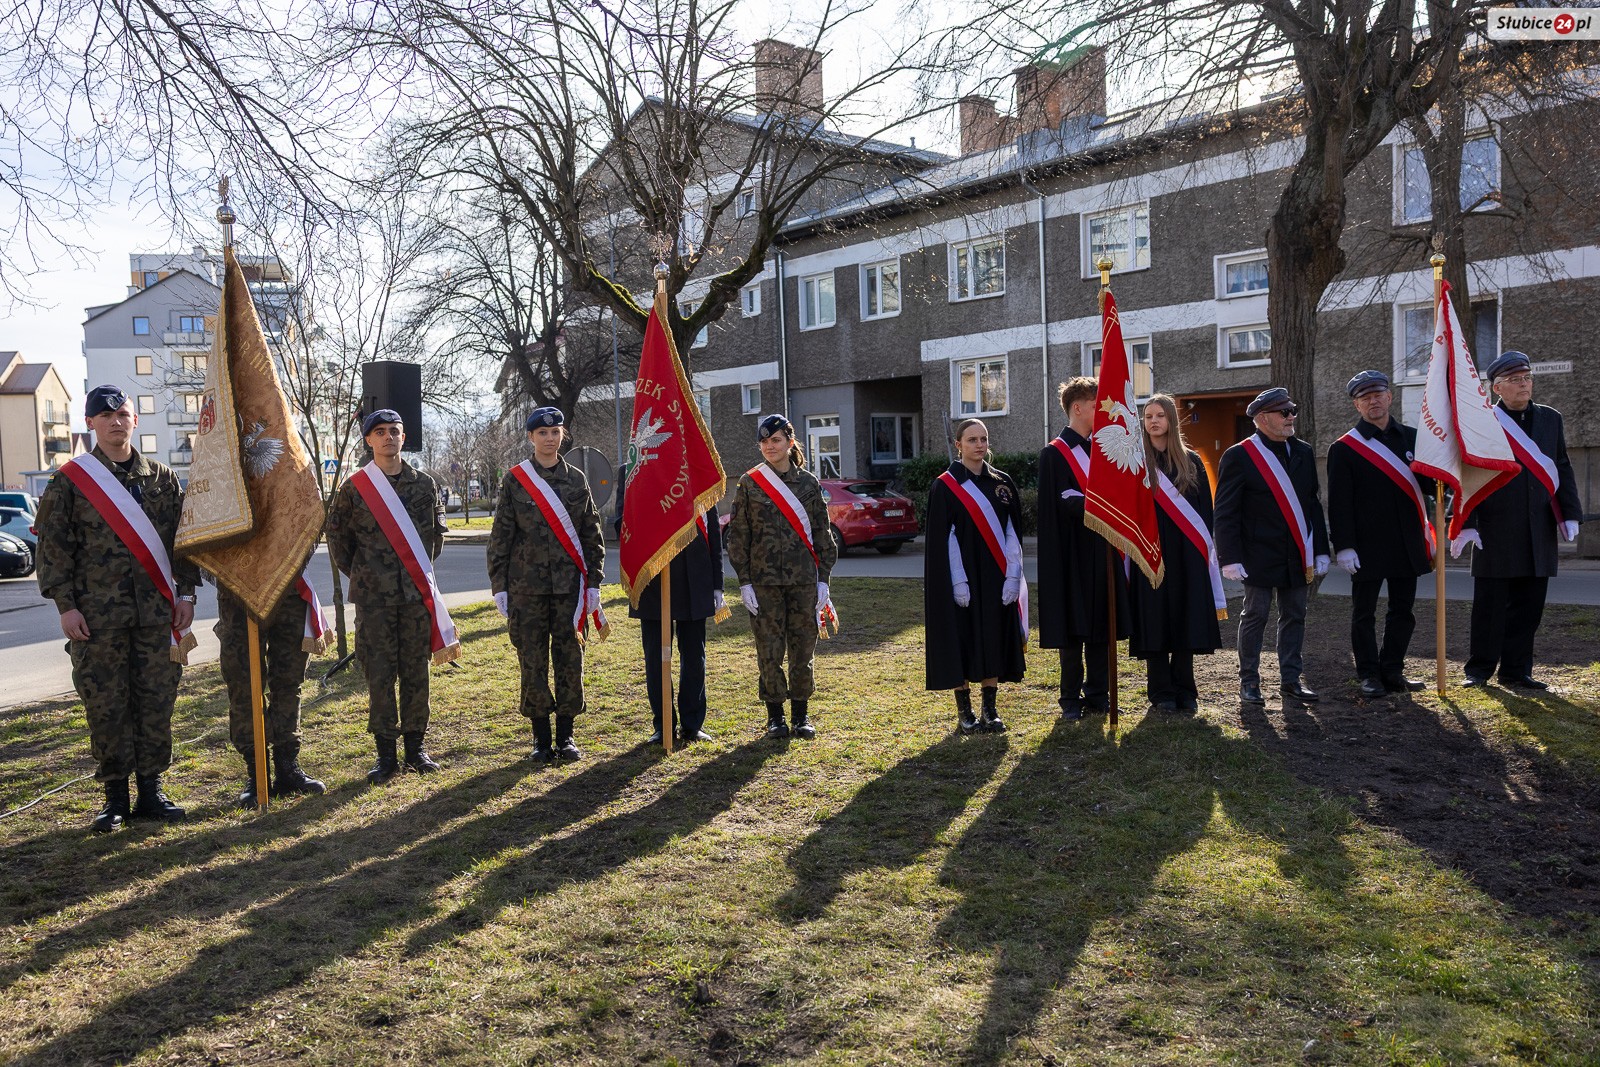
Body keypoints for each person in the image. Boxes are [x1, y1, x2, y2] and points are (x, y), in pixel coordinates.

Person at [34, 385, 198, 832]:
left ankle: (152, 792)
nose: (115, 422)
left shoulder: (162, 478)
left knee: (156, 702)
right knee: (106, 706)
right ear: (90, 423)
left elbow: (183, 542)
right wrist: (66, 607)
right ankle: (115, 799)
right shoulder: (71, 480)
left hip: (156, 616)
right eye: (105, 416)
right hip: (97, 621)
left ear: (134, 420)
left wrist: (186, 595)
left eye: (122, 414)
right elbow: (53, 549)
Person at [327, 408, 451, 783]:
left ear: (403, 437)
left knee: (416, 673)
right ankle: (385, 755)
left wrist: (415, 575)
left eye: (394, 431)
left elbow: (435, 540)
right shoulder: (354, 489)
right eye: (379, 432)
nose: (388, 437)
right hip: (374, 602)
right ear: (368, 440)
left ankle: (416, 749)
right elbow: (339, 543)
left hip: (414, 599)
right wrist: (369, 576)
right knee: (379, 676)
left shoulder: (424, 485)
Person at [1453, 351, 1582, 689]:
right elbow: (1468, 470)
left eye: (1526, 378)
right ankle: (1479, 670)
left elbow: (1562, 465)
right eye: (1514, 380)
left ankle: (1516, 670)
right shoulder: (1483, 420)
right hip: (1496, 526)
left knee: (1529, 605)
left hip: (1538, 525)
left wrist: (1570, 513)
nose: (1523, 384)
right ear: (1497, 387)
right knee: (1490, 605)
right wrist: (1466, 521)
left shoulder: (1550, 418)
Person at [488, 406, 606, 761]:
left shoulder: (577, 480)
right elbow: (501, 537)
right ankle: (540, 738)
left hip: (570, 588)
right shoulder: (516, 480)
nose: (550, 438)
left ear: (562, 435)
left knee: (570, 659)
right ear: (531, 437)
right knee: (532, 660)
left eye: (555, 432)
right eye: (542, 433)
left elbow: (591, 533)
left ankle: (566, 736)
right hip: (526, 590)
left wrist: (594, 582)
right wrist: (499, 586)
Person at [1214, 387, 1330, 705]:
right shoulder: (1239, 455)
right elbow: (1225, 511)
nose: (1291, 417)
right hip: (1257, 553)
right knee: (1256, 615)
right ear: (1263, 418)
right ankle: (1249, 682)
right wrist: (1229, 557)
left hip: (1296, 551)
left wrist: (1321, 548)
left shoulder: (1303, 451)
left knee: (1295, 615)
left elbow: (1312, 504)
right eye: (1284, 412)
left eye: (1293, 410)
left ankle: (1291, 680)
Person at [725, 414, 837, 739]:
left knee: (803, 650)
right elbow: (739, 535)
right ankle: (775, 716)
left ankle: (801, 714)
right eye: (764, 442)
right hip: (764, 583)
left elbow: (823, 533)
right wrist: (744, 581)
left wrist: (823, 579)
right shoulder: (749, 483)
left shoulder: (809, 483)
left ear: (789, 441)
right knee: (769, 651)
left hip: (804, 581)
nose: (769, 447)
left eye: (775, 440)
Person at [1326, 370, 1433, 697]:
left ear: (1389, 397)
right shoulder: (1344, 448)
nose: (1373, 401)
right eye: (1365, 397)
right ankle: (1369, 674)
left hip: (1406, 541)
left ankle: (1393, 670)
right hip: (1367, 545)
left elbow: (1430, 485)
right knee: (1364, 614)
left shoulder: (1414, 438)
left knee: (1403, 612)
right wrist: (1344, 546)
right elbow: (1340, 503)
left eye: (1378, 395)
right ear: (1357, 405)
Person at [923, 418, 1027, 733]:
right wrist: (957, 580)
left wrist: (1013, 575)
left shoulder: (1002, 482)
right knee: (963, 638)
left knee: (993, 637)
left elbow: (1012, 533)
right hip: (962, 579)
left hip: (996, 577)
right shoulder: (945, 486)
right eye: (972, 440)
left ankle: (990, 710)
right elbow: (945, 538)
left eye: (983, 439)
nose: (979, 445)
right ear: (958, 445)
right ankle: (965, 711)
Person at [1037, 376, 1128, 720]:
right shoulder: (1053, 453)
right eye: (1095, 405)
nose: (1101, 411)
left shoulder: (1102, 449)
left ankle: (1098, 693)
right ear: (1077, 408)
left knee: (1102, 625)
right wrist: (1097, 503)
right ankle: (1070, 698)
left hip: (1102, 549)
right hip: (1071, 552)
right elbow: (1062, 500)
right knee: (1073, 628)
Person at [614, 467, 726, 745]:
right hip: (652, 577)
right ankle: (662, 724)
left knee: (694, 655)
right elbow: (620, 524)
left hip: (693, 574)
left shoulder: (697, 464)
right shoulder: (634, 467)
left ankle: (692, 724)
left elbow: (712, 529)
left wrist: (717, 584)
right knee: (655, 656)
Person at [1128, 394, 1222, 714]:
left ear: (1171, 419)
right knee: (1154, 618)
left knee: (1186, 616)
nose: (1153, 421)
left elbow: (1204, 513)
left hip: (1186, 554)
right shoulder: (1136, 462)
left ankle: (1185, 689)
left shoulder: (1191, 461)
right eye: (1148, 416)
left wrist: (1203, 554)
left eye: (1160, 415)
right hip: (1149, 552)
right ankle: (1161, 691)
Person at [215, 580, 328, 807]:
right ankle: (257, 772)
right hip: (239, 593)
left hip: (289, 590)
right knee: (244, 686)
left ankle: (287, 767)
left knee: (288, 682)